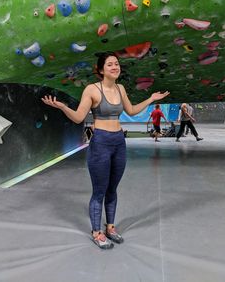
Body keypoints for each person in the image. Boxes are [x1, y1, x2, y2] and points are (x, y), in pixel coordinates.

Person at [42, 51, 170, 250]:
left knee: (112, 189)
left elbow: (132, 111)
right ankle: (96, 232)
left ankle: (110, 227)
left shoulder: (120, 88)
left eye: (117, 64)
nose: (115, 67)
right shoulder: (92, 90)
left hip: (119, 142)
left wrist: (151, 98)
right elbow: (78, 118)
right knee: (99, 191)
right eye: (110, 64)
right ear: (101, 70)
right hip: (101, 142)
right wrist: (61, 106)